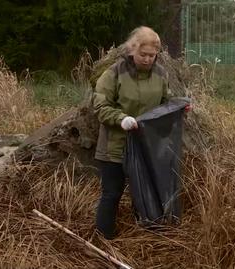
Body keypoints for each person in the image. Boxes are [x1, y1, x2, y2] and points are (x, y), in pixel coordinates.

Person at [92, 26, 172, 239]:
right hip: (114, 147)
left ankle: (146, 237)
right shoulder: (114, 73)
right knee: (111, 194)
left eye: (151, 55)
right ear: (131, 51)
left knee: (145, 193)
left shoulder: (161, 75)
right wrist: (122, 119)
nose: (147, 60)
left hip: (146, 146)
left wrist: (178, 110)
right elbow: (100, 106)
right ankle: (103, 238)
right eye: (142, 54)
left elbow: (165, 103)